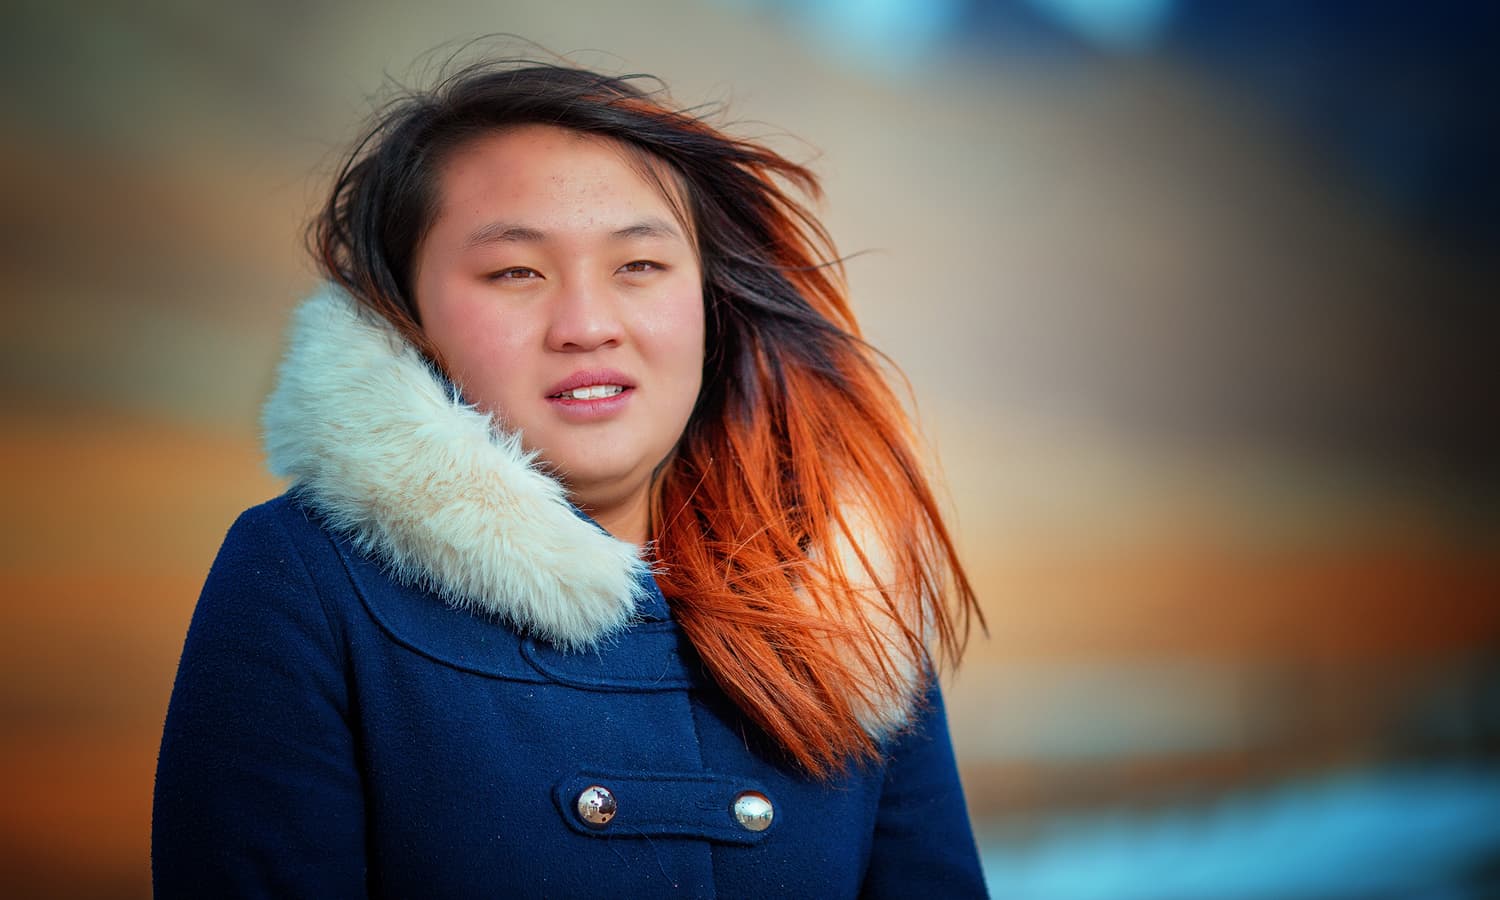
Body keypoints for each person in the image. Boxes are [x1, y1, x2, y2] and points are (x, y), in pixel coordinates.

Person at [152, 58, 988, 898]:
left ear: (712, 302)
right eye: (516, 272)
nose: (587, 326)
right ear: (405, 316)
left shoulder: (842, 597)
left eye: (640, 267)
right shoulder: (302, 579)